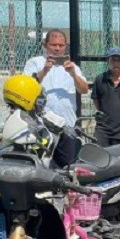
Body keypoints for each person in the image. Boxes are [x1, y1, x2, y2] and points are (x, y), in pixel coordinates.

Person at [24, 29, 89, 166]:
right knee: (41, 164)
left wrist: (73, 74)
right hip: (42, 125)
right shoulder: (35, 62)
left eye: (61, 45)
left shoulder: (72, 67)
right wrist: (45, 70)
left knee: (66, 166)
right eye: (53, 45)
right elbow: (28, 87)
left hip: (67, 125)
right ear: (45, 45)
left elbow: (84, 89)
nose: (57, 49)